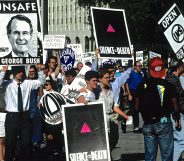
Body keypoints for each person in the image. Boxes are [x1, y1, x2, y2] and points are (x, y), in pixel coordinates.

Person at [135, 57, 180, 161]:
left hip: (148, 124)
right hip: (164, 122)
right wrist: (177, 119)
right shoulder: (169, 86)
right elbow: (176, 107)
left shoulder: (141, 85)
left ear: (149, 70)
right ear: (163, 70)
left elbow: (136, 108)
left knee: (150, 157)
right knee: (167, 156)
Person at [0, 65, 45, 161]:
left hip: (25, 116)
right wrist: (3, 71)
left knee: (27, 143)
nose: (21, 73)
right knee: (10, 143)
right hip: (12, 117)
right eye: (19, 71)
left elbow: (41, 81)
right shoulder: (7, 84)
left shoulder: (27, 83)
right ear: (14, 73)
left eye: (22, 71)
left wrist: (40, 70)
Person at [166, 59, 184, 161]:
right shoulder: (174, 81)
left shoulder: (171, 78)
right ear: (179, 68)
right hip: (176, 114)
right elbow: (174, 101)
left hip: (175, 113)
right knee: (181, 140)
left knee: (176, 140)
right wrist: (177, 118)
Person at [127, 61, 144, 133]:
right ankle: (135, 126)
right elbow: (127, 84)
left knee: (141, 109)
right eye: (139, 66)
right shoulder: (131, 74)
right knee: (134, 111)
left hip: (139, 93)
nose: (140, 67)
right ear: (135, 67)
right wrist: (129, 94)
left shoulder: (141, 74)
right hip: (132, 92)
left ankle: (144, 125)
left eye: (141, 66)